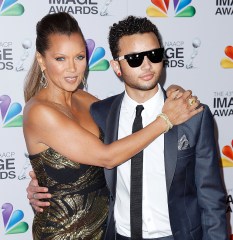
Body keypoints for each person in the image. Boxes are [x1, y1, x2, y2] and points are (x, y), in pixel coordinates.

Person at [23, 12, 202, 240]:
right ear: (41, 60)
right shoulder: (39, 111)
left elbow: (129, 115)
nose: (72, 69)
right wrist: (165, 120)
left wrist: (171, 92)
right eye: (60, 59)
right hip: (64, 233)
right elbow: (107, 157)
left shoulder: (86, 100)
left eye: (79, 57)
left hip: (106, 229)